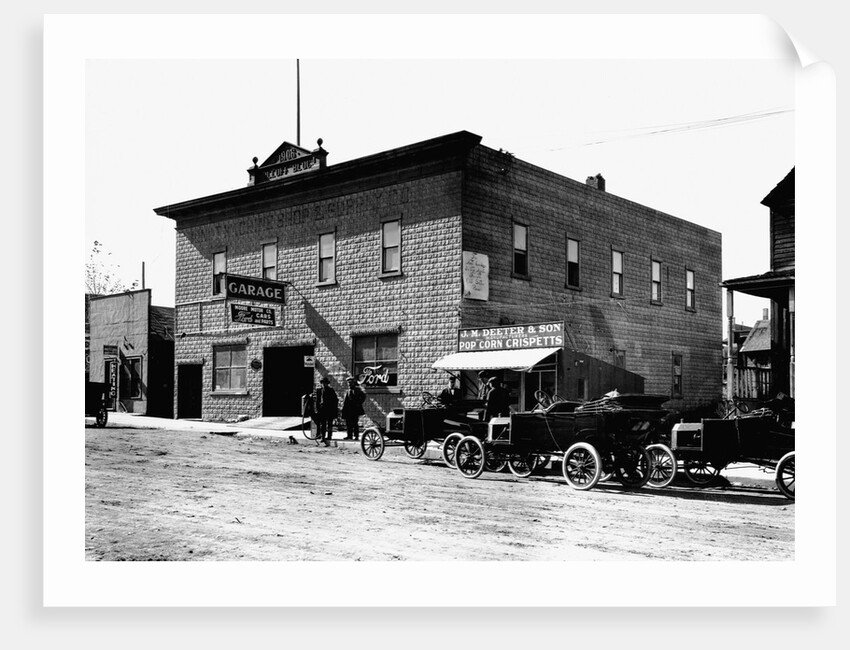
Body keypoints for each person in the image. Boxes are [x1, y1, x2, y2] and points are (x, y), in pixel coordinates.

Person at [314, 376, 338, 446]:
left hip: (329, 410)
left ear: (327, 384)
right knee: (323, 424)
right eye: (322, 383)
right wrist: (317, 409)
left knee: (329, 424)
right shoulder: (319, 390)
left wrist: (333, 408)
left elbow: (335, 400)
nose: (324, 385)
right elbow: (317, 401)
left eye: (325, 383)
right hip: (322, 410)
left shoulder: (331, 390)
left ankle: (329, 436)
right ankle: (323, 437)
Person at [340, 375, 366, 441]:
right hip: (348, 410)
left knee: (354, 423)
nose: (349, 384)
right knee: (348, 423)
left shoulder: (357, 390)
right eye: (348, 383)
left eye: (350, 383)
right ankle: (349, 435)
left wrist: (359, 403)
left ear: (353, 383)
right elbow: (345, 401)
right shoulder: (347, 391)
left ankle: (356, 436)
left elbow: (363, 396)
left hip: (355, 409)